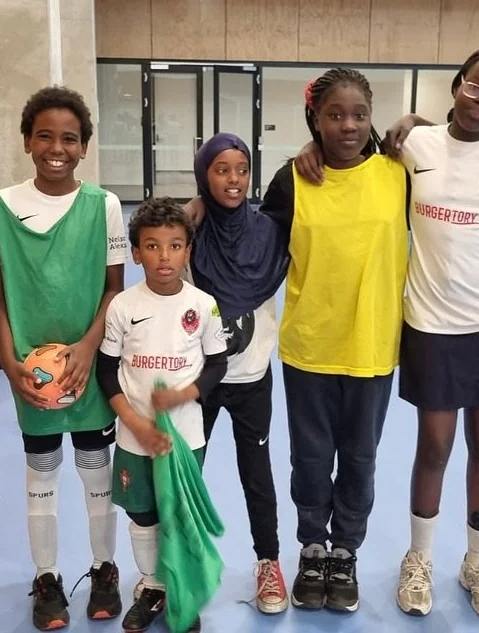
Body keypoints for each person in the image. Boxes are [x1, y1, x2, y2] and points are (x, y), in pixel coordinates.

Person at [293, 49, 479, 622]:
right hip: (432, 322)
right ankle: (418, 558)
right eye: (474, 87)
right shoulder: (415, 147)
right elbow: (357, 149)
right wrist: (316, 145)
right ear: (457, 86)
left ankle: (478, 561)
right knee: (435, 447)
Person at [260, 68, 410, 614]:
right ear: (315, 120)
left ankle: (345, 551)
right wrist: (203, 204)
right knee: (311, 457)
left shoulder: (399, 171)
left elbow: (445, 146)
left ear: (372, 120)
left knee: (360, 459)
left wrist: (412, 123)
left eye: (359, 115)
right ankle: (312, 548)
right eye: (334, 115)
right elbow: (255, 245)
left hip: (371, 345)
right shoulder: (292, 180)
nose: (347, 125)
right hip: (310, 347)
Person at [0, 86, 127, 630]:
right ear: (27, 141)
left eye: (69, 137)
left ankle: (104, 569)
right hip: (30, 372)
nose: (56, 147)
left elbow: (115, 288)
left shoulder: (104, 206)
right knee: (40, 471)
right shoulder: (0, 207)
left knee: (96, 471)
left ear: (84, 146)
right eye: (45, 135)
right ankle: (46, 578)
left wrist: (89, 346)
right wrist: (8, 361)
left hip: (88, 366)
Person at [95, 197, 229, 633]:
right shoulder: (122, 307)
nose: (164, 256)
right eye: (152, 246)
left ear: (188, 250)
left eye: (174, 246)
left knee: (176, 514)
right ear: (136, 253)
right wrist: (134, 423)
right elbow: (105, 371)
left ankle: (180, 591)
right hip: (134, 437)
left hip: (184, 438)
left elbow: (217, 364)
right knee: (142, 513)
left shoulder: (204, 305)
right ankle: (152, 587)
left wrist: (184, 395)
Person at [183, 133, 290, 613]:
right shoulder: (188, 233)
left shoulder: (269, 231)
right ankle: (181, 565)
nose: (233, 180)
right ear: (204, 175)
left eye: (242, 170)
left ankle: (269, 562)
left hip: (251, 378)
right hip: (197, 380)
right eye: (221, 169)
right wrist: (190, 211)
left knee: (257, 475)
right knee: (187, 475)